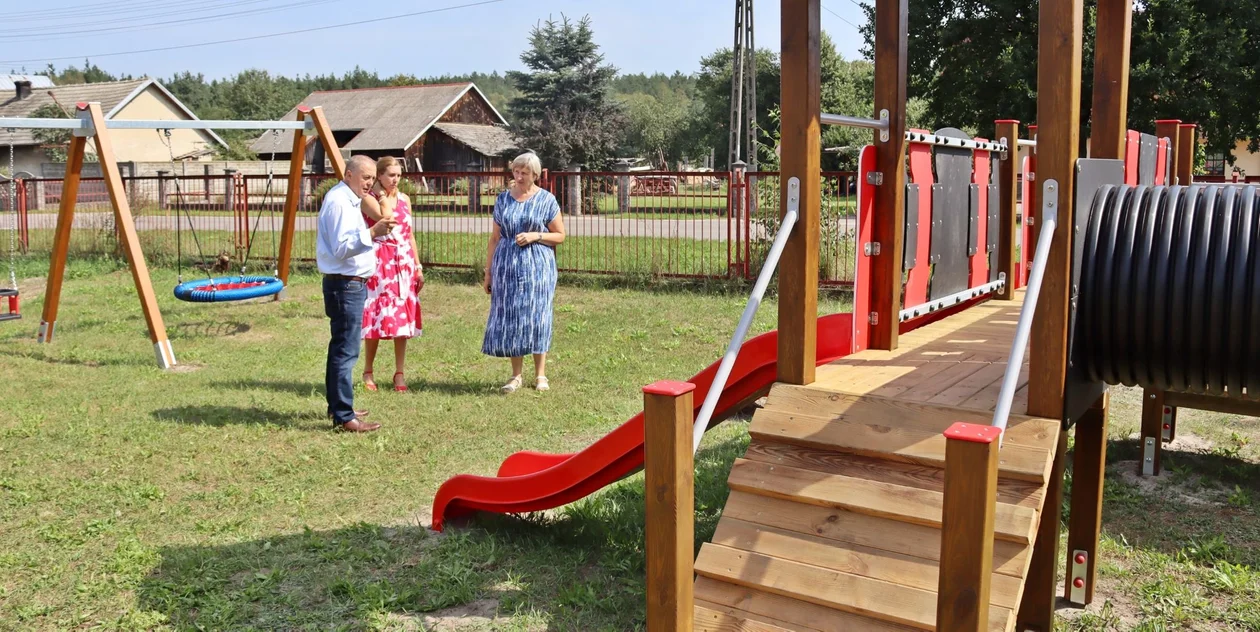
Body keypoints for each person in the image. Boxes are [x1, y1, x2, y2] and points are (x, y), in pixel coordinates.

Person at [317, 155, 395, 432]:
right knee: (346, 350)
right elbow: (341, 248)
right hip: (345, 285)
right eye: (365, 177)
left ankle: (339, 406)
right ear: (348, 175)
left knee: (342, 348)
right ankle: (343, 416)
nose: (370, 183)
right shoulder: (339, 202)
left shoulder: (348, 199)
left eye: (372, 178)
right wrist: (372, 233)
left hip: (349, 284)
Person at [482, 152, 566, 393]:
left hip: (538, 266)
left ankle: (540, 374)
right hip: (506, 266)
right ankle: (516, 375)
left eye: (524, 173)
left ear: (535, 175)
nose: (519, 177)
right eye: (516, 172)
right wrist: (488, 272)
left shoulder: (546, 200)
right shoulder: (503, 200)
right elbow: (495, 238)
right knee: (511, 316)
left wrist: (535, 236)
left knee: (538, 315)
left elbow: (560, 235)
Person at [359, 156, 424, 393]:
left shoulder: (404, 199)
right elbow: (388, 219)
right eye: (391, 175)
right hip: (380, 261)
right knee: (376, 316)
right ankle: (368, 371)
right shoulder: (369, 198)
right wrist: (382, 195)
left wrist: (417, 266)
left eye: (398, 175)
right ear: (380, 175)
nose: (395, 180)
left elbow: (409, 234)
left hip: (403, 261)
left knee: (402, 318)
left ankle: (399, 372)